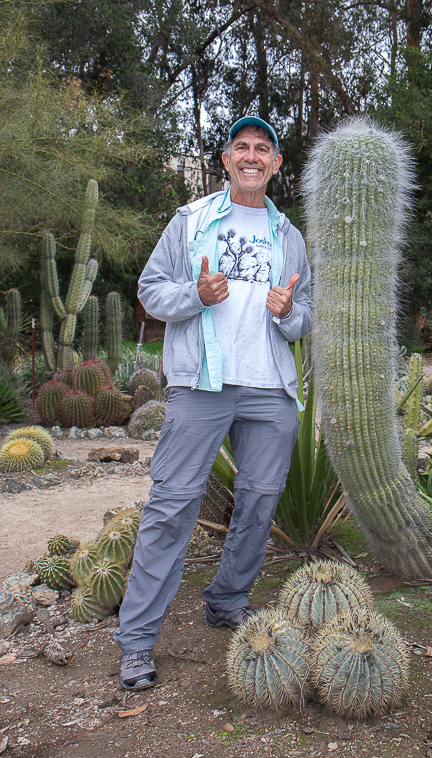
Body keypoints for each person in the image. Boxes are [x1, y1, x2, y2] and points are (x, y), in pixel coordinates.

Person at [114, 117, 313, 690]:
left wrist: (288, 313)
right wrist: (195, 295)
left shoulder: (289, 235)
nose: (251, 156)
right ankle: (137, 641)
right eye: (241, 147)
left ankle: (227, 599)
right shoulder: (191, 220)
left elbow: (305, 315)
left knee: (260, 500)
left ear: (276, 163)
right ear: (226, 160)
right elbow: (151, 290)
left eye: (262, 149)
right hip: (202, 384)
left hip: (269, 386)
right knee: (172, 506)